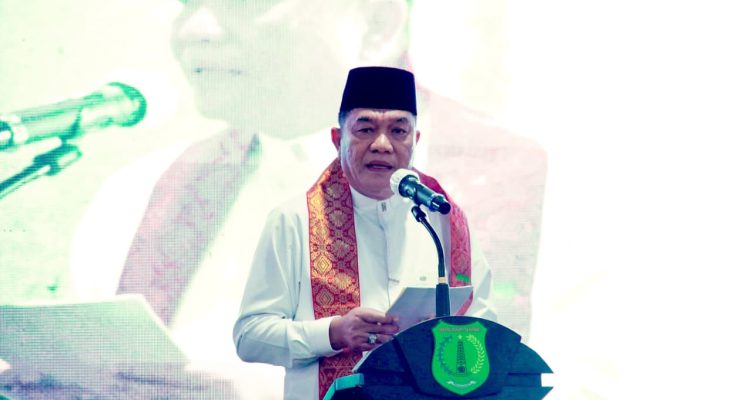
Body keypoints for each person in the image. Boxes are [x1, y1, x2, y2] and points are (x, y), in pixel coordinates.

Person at [70, 0, 545, 397]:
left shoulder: (522, 186)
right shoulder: (138, 193)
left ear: (376, 23)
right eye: (187, 3)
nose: (197, 28)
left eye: (246, 4)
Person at [233, 66, 497, 400]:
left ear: (415, 141)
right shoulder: (294, 220)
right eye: (366, 129)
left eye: (398, 131)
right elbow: (250, 337)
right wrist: (334, 333)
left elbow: (485, 326)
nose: (382, 145)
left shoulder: (444, 222)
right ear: (337, 139)